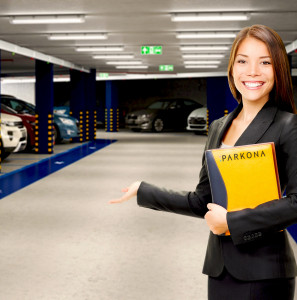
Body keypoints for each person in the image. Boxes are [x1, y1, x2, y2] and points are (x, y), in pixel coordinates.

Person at [109, 24, 297, 300]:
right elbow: (203, 200)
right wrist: (144, 190)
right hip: (220, 267)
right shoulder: (219, 127)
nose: (253, 71)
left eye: (265, 62)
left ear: (278, 69)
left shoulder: (288, 125)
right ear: (232, 68)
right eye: (243, 61)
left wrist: (231, 221)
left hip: (265, 270)